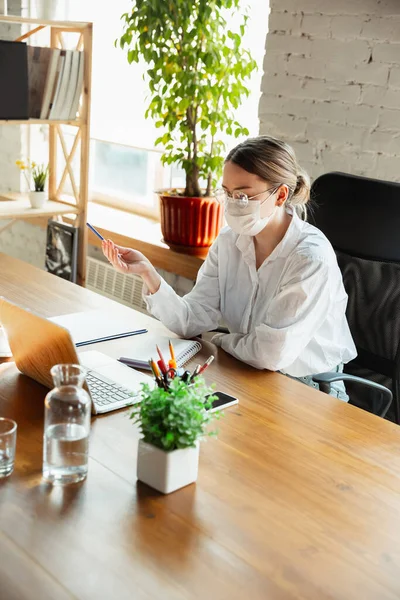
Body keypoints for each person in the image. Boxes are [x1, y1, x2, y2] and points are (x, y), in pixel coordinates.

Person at [102, 136, 356, 400]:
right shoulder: (229, 241)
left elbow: (270, 353)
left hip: (308, 388)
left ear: (280, 195)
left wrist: (218, 340)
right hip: (248, 371)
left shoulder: (310, 259)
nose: (234, 203)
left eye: (244, 195)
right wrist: (148, 274)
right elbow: (192, 320)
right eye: (228, 193)